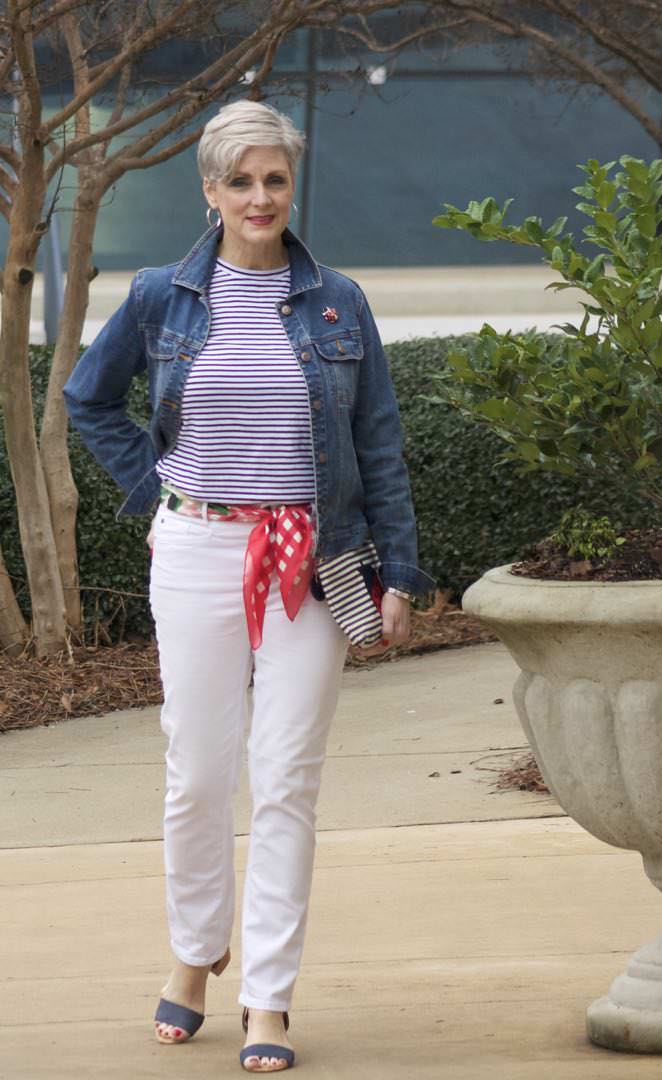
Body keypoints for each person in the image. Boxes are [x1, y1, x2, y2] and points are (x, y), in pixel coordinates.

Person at [63, 100, 432, 1073]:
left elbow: (378, 443)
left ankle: (267, 997)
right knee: (196, 774)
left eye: (274, 178)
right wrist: (156, 487)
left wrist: (401, 570)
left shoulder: (338, 303)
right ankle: (195, 955)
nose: (260, 197)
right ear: (210, 190)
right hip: (196, 552)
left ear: (289, 185)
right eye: (241, 180)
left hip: (317, 561)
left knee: (286, 784)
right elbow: (87, 399)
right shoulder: (160, 298)